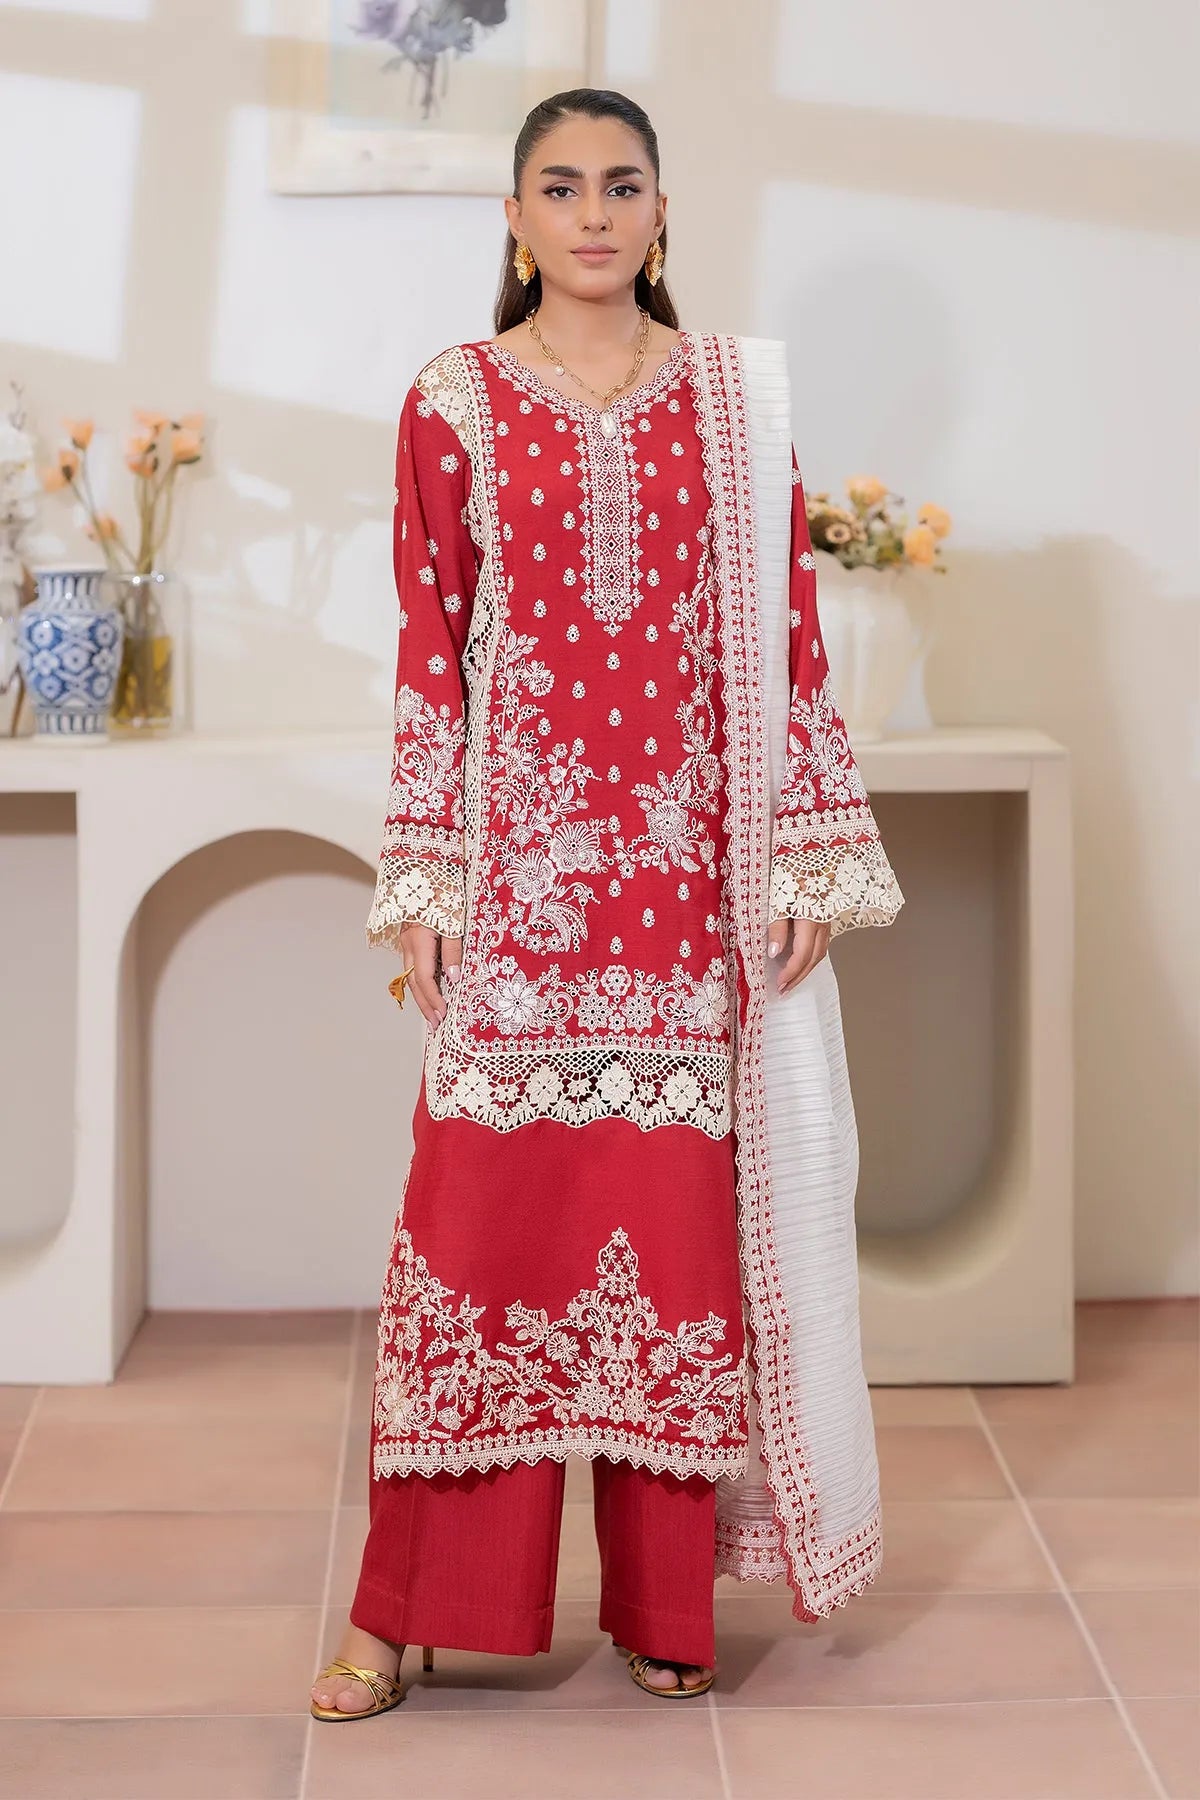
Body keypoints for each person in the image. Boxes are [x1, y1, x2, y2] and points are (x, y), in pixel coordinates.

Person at [310, 85, 904, 1722]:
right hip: (517, 898)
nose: (590, 214)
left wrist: (806, 853)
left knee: (674, 1254)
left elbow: (790, 643)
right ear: (512, 218)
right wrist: (425, 875)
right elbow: (432, 658)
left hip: (681, 901)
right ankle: (403, 1609)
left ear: (661, 212)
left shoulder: (728, 404)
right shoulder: (456, 401)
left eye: (620, 186)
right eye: (558, 188)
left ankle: (665, 1613)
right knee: (472, 1238)